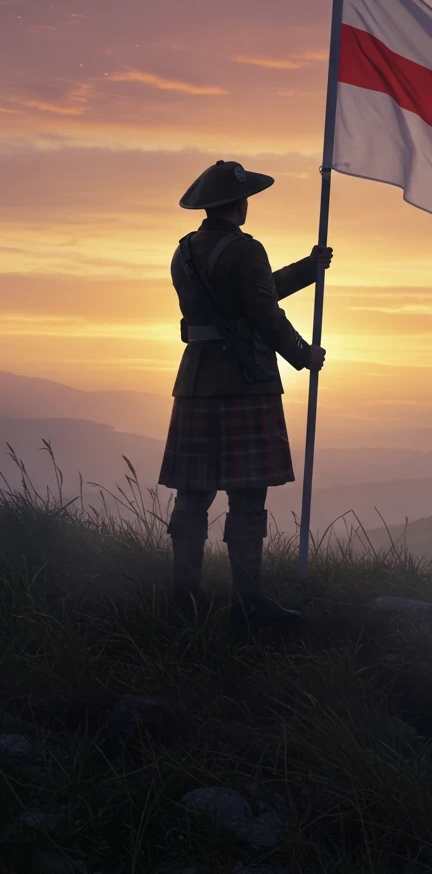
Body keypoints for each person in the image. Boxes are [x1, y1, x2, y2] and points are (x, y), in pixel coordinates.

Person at [158, 159, 330, 634]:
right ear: (237, 203)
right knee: (248, 500)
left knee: (192, 498)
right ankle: (249, 606)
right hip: (244, 385)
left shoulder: (184, 252)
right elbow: (263, 313)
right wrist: (304, 354)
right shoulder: (246, 249)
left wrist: (307, 270)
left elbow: (249, 295)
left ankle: (183, 603)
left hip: (194, 383)